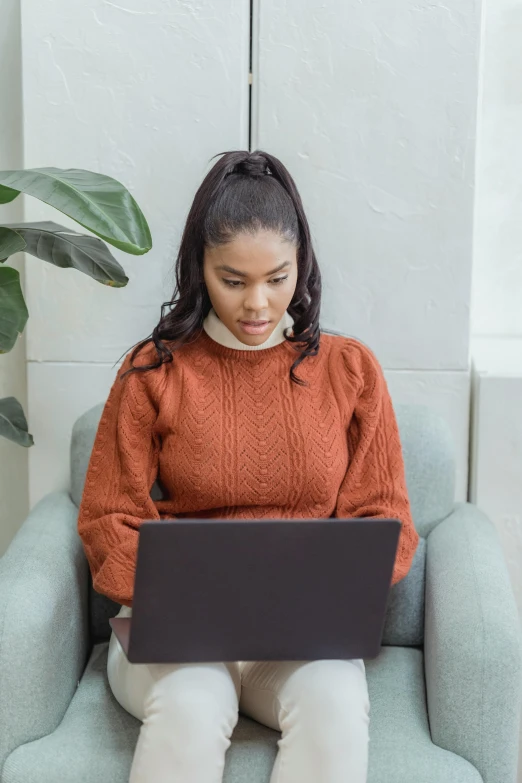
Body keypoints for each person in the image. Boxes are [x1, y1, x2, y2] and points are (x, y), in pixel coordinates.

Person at [77, 149, 420, 783]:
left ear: (302, 268)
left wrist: (333, 591)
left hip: (299, 641)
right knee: (191, 703)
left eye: (277, 278)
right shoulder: (154, 370)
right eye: (232, 281)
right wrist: (167, 595)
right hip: (175, 638)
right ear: (198, 269)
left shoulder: (349, 370)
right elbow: (107, 517)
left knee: (336, 706)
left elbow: (386, 518)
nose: (257, 304)